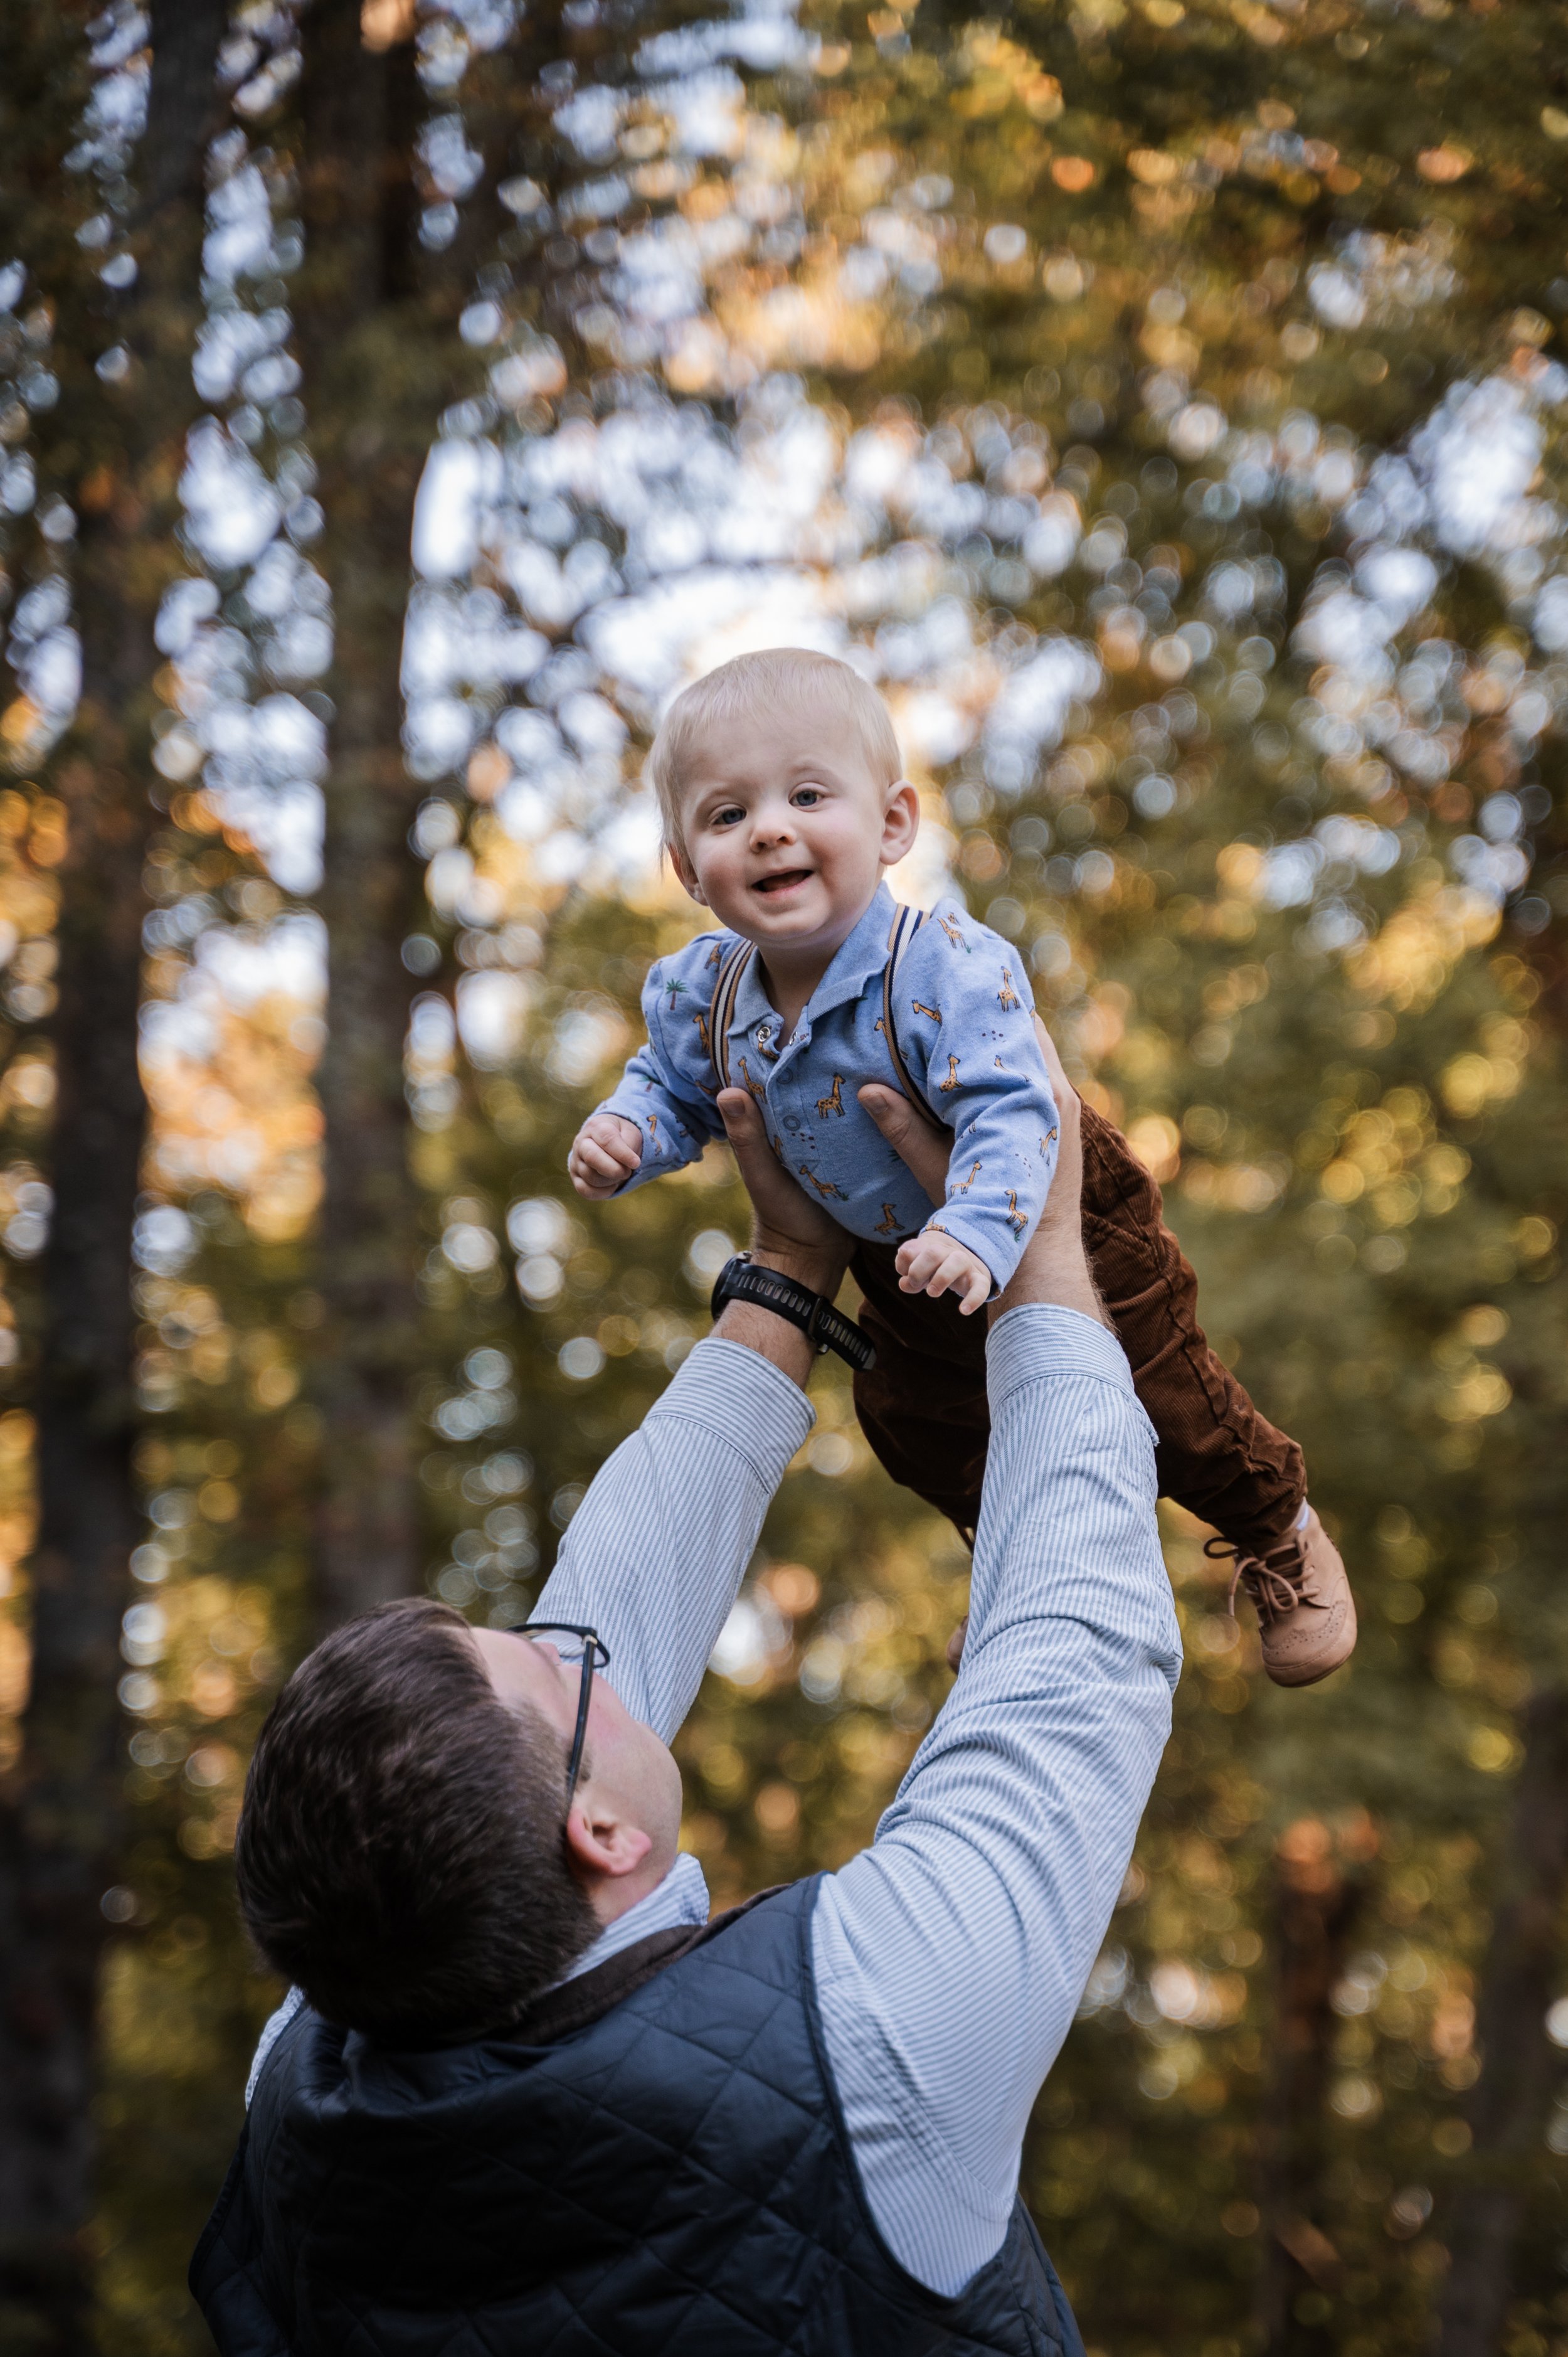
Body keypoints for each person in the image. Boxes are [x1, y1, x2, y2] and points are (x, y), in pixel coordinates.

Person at [194, 1036, 1179, 2355]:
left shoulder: (312, 2072)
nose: (579, 1644)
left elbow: (605, 1610)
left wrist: (784, 1269)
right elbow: (1074, 1652)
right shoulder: (867, 2039)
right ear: (599, 1834)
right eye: (559, 1669)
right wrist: (1040, 1245)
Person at [569, 646, 1354, 1685]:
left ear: (893, 825)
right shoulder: (700, 995)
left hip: (1042, 1206)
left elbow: (1014, 1103)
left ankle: (1277, 1524)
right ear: (686, 867)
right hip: (900, 1259)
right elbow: (670, 1086)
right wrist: (630, 1133)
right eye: (726, 815)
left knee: (1164, 1394)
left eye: (808, 795)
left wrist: (978, 1227)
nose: (769, 827)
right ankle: (1017, 1570)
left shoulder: (939, 963)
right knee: (916, 1423)